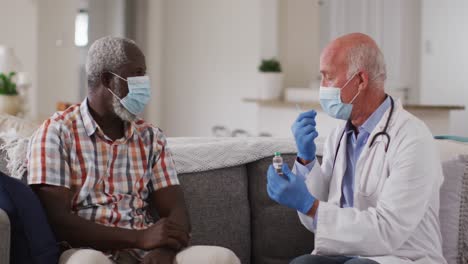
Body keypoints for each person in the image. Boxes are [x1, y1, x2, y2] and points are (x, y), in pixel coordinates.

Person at [27, 36, 240, 264]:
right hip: (87, 251)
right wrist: (139, 238)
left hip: (147, 252)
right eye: (137, 74)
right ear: (108, 80)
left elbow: (176, 210)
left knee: (221, 258)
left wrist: (165, 252)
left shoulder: (151, 137)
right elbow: (56, 220)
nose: (145, 83)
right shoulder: (57, 132)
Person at [266, 33, 447, 264]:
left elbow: (387, 231)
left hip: (402, 256)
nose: (322, 88)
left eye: (328, 77)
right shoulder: (340, 134)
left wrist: (308, 204)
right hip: (348, 253)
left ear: (360, 80)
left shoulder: (413, 138)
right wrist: (306, 160)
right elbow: (319, 220)